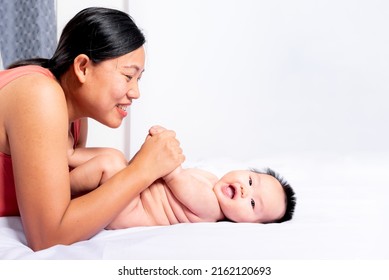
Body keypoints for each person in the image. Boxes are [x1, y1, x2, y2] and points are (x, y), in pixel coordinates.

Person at [0, 7, 184, 251]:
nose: (135, 93)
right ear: (83, 67)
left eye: (138, 79)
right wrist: (142, 171)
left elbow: (60, 202)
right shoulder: (40, 95)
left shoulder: (75, 118)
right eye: (128, 76)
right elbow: (47, 237)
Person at [107, 128, 296, 229]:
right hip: (134, 193)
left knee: (110, 163)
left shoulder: (212, 208)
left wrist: (162, 144)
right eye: (251, 181)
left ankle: (75, 171)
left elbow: (175, 177)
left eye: (253, 203)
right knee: (113, 159)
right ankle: (74, 160)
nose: (246, 190)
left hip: (130, 209)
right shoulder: (212, 180)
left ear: (250, 224)